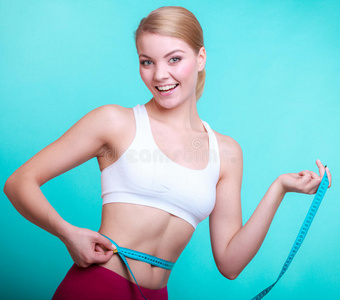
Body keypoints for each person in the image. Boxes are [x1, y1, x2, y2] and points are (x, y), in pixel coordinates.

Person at [3, 6, 332, 300]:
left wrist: (279, 189)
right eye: (147, 62)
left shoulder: (226, 151)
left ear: (200, 58)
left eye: (174, 59)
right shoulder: (115, 122)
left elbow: (230, 264)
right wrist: (68, 234)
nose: (160, 75)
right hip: (96, 288)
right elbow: (19, 182)